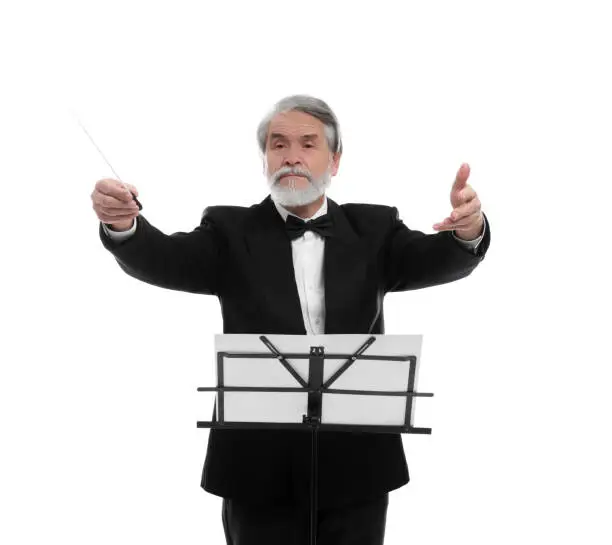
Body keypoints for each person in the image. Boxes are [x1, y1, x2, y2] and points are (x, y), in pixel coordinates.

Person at [92, 94, 490, 545]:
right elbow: (162, 258)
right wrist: (124, 226)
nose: (292, 156)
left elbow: (439, 260)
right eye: (278, 145)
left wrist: (468, 230)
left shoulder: (375, 229)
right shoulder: (229, 231)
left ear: (334, 161)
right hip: (257, 469)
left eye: (308, 144)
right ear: (265, 158)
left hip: (358, 465)